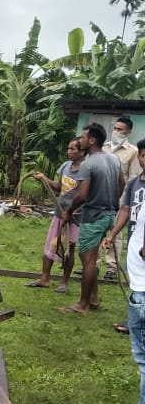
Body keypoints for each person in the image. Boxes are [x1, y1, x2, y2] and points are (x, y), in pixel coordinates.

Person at [103, 139, 145, 404]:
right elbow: (126, 211)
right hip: (137, 278)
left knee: (143, 355)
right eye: (143, 155)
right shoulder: (134, 184)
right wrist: (113, 234)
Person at [59, 122, 122, 314]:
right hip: (110, 214)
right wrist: (111, 201)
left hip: (93, 216)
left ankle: (83, 304)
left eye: (84, 137)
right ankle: (94, 299)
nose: (81, 139)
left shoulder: (88, 164)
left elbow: (82, 195)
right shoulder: (113, 159)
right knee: (91, 258)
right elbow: (122, 183)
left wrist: (69, 211)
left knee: (87, 259)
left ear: (92, 140)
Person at [28, 137, 84, 292]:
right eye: (68, 148)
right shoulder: (66, 166)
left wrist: (72, 211)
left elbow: (85, 195)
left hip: (75, 216)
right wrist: (44, 179)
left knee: (69, 248)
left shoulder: (86, 170)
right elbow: (59, 187)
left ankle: (64, 282)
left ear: (82, 151)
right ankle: (44, 278)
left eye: (73, 149)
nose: (69, 152)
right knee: (51, 244)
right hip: (60, 213)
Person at [101, 114, 139, 280]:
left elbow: (132, 178)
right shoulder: (104, 148)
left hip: (119, 198)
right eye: (115, 129)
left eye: (120, 130)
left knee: (115, 232)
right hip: (99, 196)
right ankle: (92, 263)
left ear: (128, 132)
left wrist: (124, 201)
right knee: (96, 229)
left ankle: (112, 267)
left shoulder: (133, 152)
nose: (116, 132)